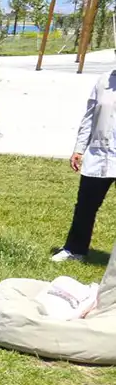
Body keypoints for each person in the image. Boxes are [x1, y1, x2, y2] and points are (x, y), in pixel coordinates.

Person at [54, 69, 116, 262]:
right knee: (85, 206)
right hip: (100, 155)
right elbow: (89, 117)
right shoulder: (104, 81)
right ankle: (75, 250)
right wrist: (79, 148)